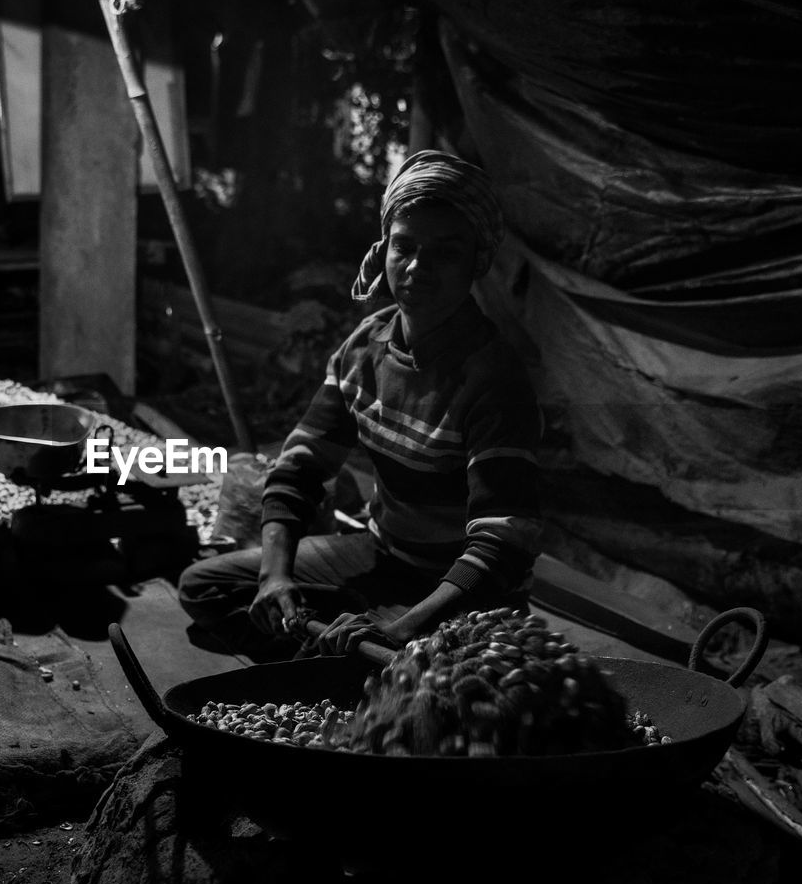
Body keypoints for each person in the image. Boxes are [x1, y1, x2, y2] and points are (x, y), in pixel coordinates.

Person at [178, 150, 542, 661]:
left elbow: (500, 546)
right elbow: (301, 466)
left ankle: (357, 656)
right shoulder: (366, 347)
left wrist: (405, 629)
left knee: (406, 671)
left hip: (459, 596)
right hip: (381, 558)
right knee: (205, 588)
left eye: (445, 253)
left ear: (476, 261)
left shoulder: (494, 380)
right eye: (404, 246)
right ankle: (345, 654)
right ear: (385, 249)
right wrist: (275, 577)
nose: (417, 267)